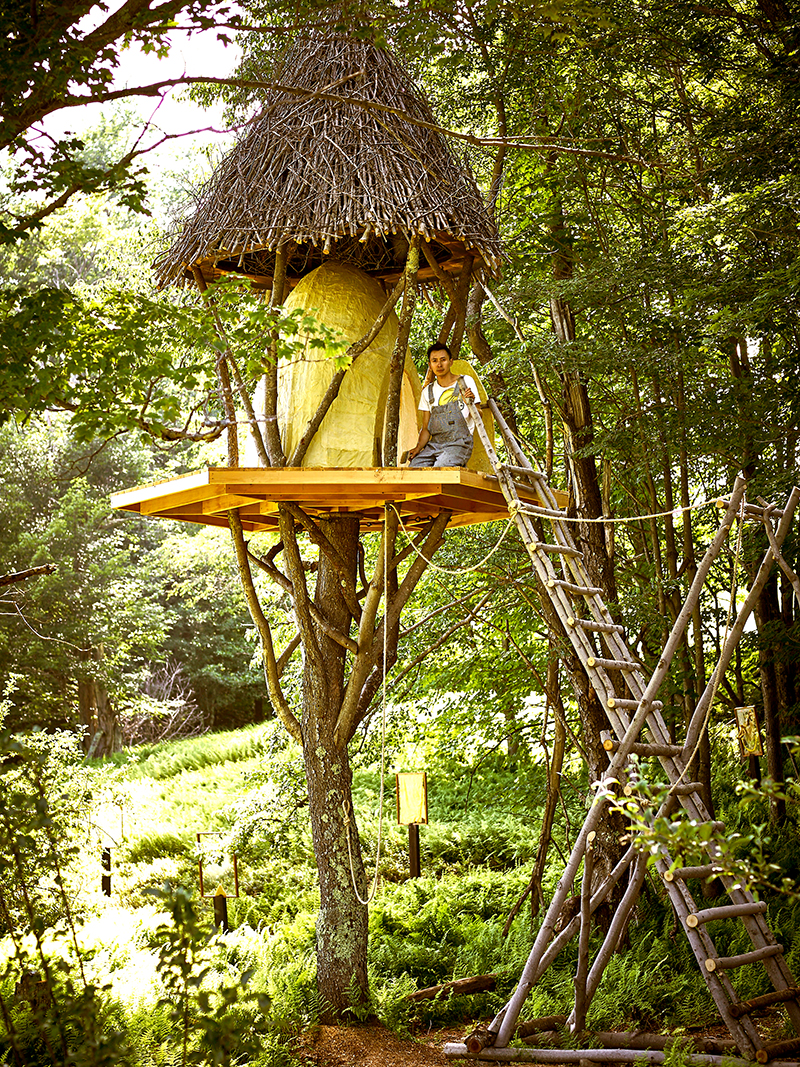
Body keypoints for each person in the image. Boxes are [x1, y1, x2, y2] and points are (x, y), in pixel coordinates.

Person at [407, 343, 479, 468]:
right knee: (414, 468)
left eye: (443, 360)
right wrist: (418, 447)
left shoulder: (465, 382)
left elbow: (479, 415)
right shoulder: (427, 392)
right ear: (430, 365)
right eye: (434, 361)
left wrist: (470, 402)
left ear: (451, 362)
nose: (439, 365)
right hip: (434, 444)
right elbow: (426, 428)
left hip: (459, 443)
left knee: (442, 468)